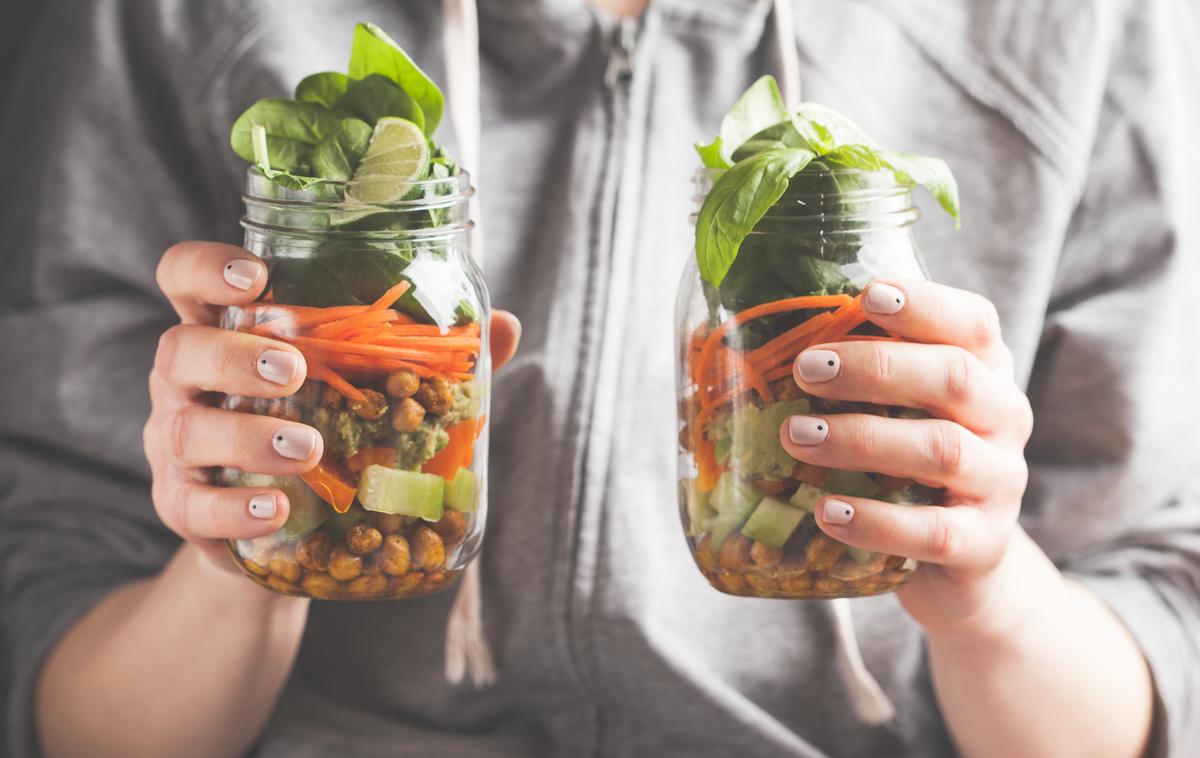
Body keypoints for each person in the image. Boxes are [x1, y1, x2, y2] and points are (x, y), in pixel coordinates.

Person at [2, 0, 1198, 756]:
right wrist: (260, 537)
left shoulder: (1077, 24)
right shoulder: (160, 20)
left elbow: (1156, 657)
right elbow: (64, 695)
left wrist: (986, 594)